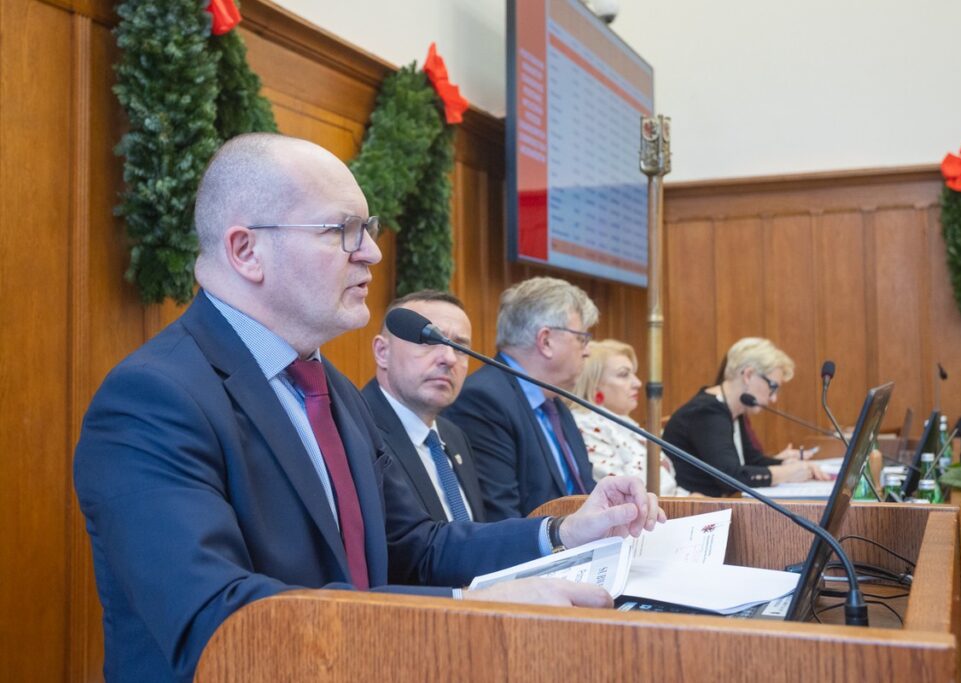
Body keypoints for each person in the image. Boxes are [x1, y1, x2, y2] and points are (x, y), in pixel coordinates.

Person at [72, 134, 663, 682]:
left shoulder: (329, 386)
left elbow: (417, 549)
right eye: (343, 230)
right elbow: (219, 620)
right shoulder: (153, 399)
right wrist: (470, 609)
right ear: (247, 250)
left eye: (369, 228)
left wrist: (563, 532)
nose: (373, 254)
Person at [445, 277, 598, 520]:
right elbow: (502, 517)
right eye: (581, 338)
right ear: (545, 341)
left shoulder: (556, 406)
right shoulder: (483, 401)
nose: (587, 350)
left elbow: (586, 491)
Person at [363, 290, 487, 530]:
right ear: (382, 353)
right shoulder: (358, 428)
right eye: (430, 341)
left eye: (460, 346)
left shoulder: (453, 436)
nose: (449, 358)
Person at [662, 337, 827, 496]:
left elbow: (752, 461)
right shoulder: (706, 412)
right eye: (773, 387)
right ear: (748, 375)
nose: (774, 398)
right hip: (693, 511)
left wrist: (789, 465)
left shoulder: (734, 409)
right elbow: (730, 477)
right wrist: (784, 473)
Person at [572, 340, 689, 496]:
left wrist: (692, 498)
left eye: (633, 374)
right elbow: (622, 490)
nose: (638, 383)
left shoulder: (626, 421)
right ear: (593, 383)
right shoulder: (583, 424)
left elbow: (667, 483)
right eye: (624, 374)